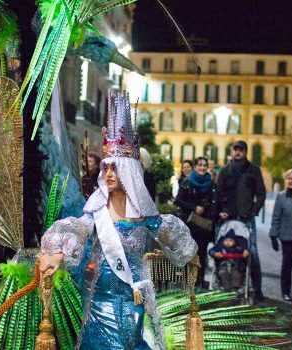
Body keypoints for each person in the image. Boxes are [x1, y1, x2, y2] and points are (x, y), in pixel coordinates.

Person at [40, 90, 197, 349]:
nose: (108, 173)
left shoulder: (144, 213)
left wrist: (189, 252)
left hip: (134, 295)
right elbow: (78, 229)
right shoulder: (97, 207)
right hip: (100, 295)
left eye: (115, 168)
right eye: (106, 167)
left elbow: (175, 239)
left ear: (129, 172)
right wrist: (57, 253)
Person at [216, 140, 266, 302]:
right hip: (228, 218)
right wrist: (221, 211)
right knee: (224, 251)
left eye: (241, 150)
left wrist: (253, 211)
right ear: (232, 152)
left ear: (245, 152)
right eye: (235, 150)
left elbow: (261, 194)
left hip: (247, 218)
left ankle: (257, 290)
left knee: (252, 253)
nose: (238, 152)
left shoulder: (254, 170)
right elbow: (218, 194)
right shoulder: (225, 171)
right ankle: (223, 283)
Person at [175, 156, 217, 285]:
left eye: (205, 165)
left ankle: (199, 282)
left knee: (202, 254)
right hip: (189, 224)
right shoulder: (186, 182)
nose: (202, 168)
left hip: (204, 226)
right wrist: (194, 207)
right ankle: (187, 282)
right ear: (195, 167)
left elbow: (215, 203)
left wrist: (211, 214)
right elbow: (178, 200)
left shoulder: (211, 185)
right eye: (200, 165)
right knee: (189, 253)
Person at [270, 169, 292, 301]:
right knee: (287, 265)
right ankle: (285, 291)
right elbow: (276, 217)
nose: (290, 181)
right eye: (288, 179)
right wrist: (273, 235)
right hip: (287, 235)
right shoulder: (281, 196)